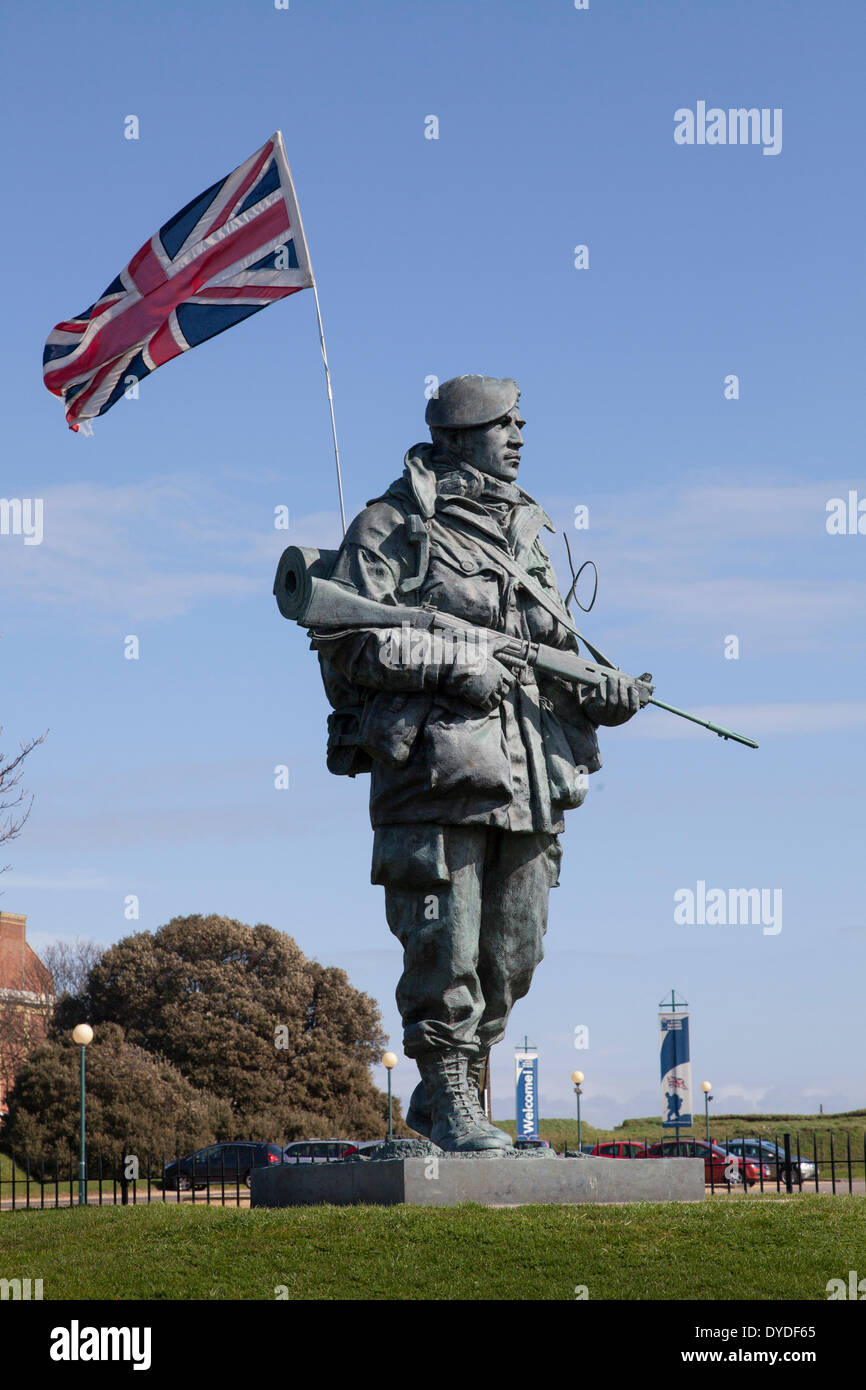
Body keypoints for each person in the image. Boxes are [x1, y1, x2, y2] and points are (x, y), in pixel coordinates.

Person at [314, 375, 641, 1150]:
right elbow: (347, 639)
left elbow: (552, 649)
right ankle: (449, 1088)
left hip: (530, 775)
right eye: (503, 422)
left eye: (522, 421)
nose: (519, 434)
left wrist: (605, 691)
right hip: (437, 778)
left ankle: (444, 1100)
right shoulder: (393, 523)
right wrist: (449, 665)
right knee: (445, 946)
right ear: (459, 434)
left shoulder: (527, 533)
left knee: (514, 953)